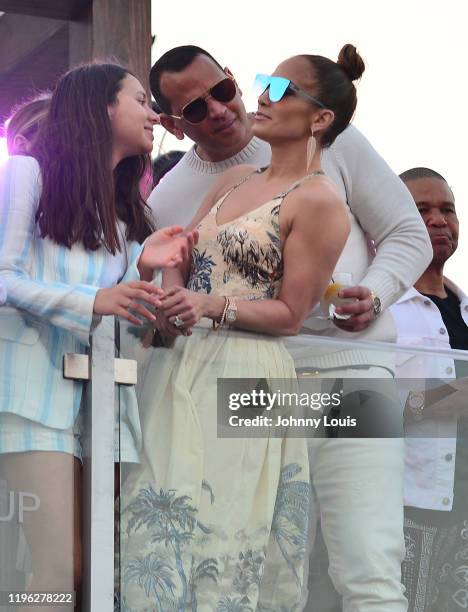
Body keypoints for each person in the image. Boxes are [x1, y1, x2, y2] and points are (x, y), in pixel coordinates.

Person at [146, 45, 432, 611]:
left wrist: (373, 294)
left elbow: (408, 232)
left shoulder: (333, 143)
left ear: (233, 79)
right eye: (196, 111)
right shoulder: (172, 196)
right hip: (248, 388)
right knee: (263, 569)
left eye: (223, 90)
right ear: (175, 127)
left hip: (351, 374)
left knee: (368, 563)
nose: (221, 110)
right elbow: (171, 297)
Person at [119, 45, 362, 611]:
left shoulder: (321, 200)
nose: (261, 97)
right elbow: (182, 267)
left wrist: (210, 307)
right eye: (262, 83)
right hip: (179, 367)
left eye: (279, 89)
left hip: (250, 375)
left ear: (319, 119)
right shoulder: (230, 181)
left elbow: (291, 314)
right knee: (155, 533)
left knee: (222, 542)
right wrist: (159, 273)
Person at [0, 62, 196, 610]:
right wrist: (92, 301)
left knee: (92, 569)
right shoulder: (26, 173)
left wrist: (151, 278)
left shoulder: (127, 211)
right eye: (140, 99)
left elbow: (126, 312)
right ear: (103, 106)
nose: (154, 113)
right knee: (58, 566)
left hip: (101, 404)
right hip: (30, 396)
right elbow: (3, 278)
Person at [390, 167, 468, 612]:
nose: (439, 220)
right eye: (421, 210)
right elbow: (349, 411)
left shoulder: (463, 309)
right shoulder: (379, 312)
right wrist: (447, 396)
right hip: (408, 506)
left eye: (448, 210)